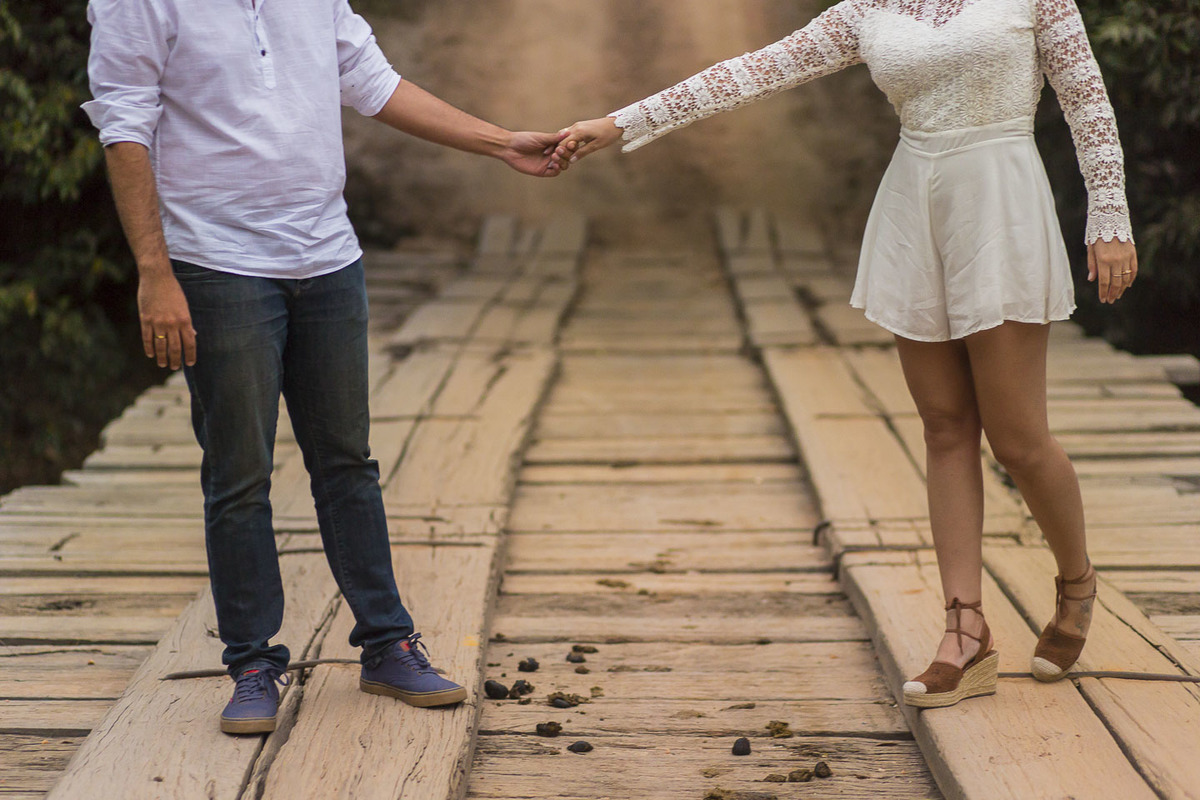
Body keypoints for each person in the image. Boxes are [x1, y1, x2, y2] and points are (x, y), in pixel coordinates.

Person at [557, 0, 1136, 708]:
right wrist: (618, 123)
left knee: (1018, 439)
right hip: (915, 203)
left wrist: (1109, 217)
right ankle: (965, 630)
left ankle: (1076, 581)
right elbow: (751, 72)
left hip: (1002, 201)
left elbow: (1088, 102)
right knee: (944, 426)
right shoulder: (866, 10)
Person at [83, 0, 568, 735]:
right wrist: (155, 272)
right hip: (217, 263)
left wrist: (501, 143)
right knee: (239, 471)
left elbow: (375, 83)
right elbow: (123, 127)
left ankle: (387, 644)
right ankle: (252, 662)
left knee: (347, 461)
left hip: (327, 256)